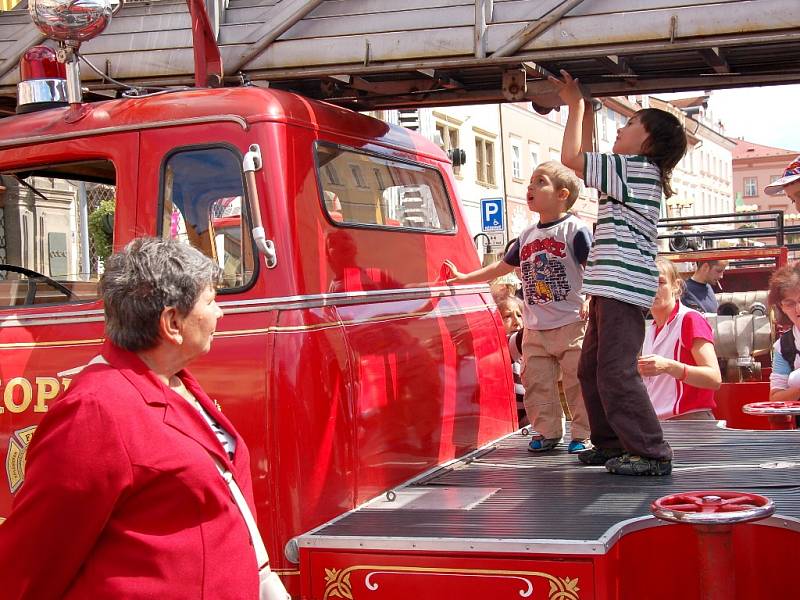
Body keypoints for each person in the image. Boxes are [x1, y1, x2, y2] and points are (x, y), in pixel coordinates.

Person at [0, 238, 261, 599]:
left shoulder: (176, 381)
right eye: (211, 301)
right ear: (172, 322)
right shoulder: (95, 411)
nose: (220, 314)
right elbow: (32, 559)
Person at [551, 69, 687, 476]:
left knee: (614, 369)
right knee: (591, 367)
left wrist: (575, 104)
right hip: (613, 286)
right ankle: (612, 443)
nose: (620, 130)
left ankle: (650, 450)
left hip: (622, 286)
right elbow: (587, 157)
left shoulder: (635, 170)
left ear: (646, 142)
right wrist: (587, 108)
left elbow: (573, 159)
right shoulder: (633, 173)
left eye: (628, 124)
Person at [446, 161, 592, 454]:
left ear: (562, 194)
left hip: (571, 323)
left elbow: (594, 268)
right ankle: (547, 430)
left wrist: (590, 297)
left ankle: (583, 433)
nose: (530, 187)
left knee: (578, 381)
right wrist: (464, 278)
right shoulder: (526, 236)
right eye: (531, 181)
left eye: (540, 182)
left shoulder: (575, 230)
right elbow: (500, 267)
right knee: (536, 382)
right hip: (535, 326)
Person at [638, 258, 721, 420]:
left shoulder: (690, 319)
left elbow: (714, 378)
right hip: (660, 424)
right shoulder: (650, 330)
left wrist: (669, 366)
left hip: (690, 422)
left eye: (660, 282)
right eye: (646, 283)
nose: (652, 288)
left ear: (676, 286)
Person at [492, 288, 529, 428]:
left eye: (519, 315)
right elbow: (523, 337)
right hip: (513, 423)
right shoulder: (503, 348)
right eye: (507, 316)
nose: (517, 322)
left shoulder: (525, 353)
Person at [768, 262, 800, 402]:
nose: (798, 309)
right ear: (782, 308)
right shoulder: (783, 346)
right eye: (790, 304)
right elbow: (775, 398)